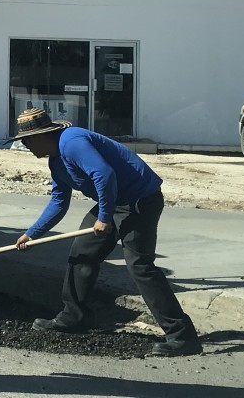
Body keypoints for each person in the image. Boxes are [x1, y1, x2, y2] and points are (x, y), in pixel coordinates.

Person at [11, 107, 203, 357]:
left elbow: (104, 174)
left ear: (40, 136)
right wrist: (33, 234)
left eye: (26, 142)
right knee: (82, 252)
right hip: (113, 201)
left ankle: (182, 336)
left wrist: (104, 217)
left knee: (140, 266)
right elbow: (59, 201)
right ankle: (74, 316)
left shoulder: (72, 142)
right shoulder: (56, 160)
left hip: (138, 200)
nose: (26, 147)